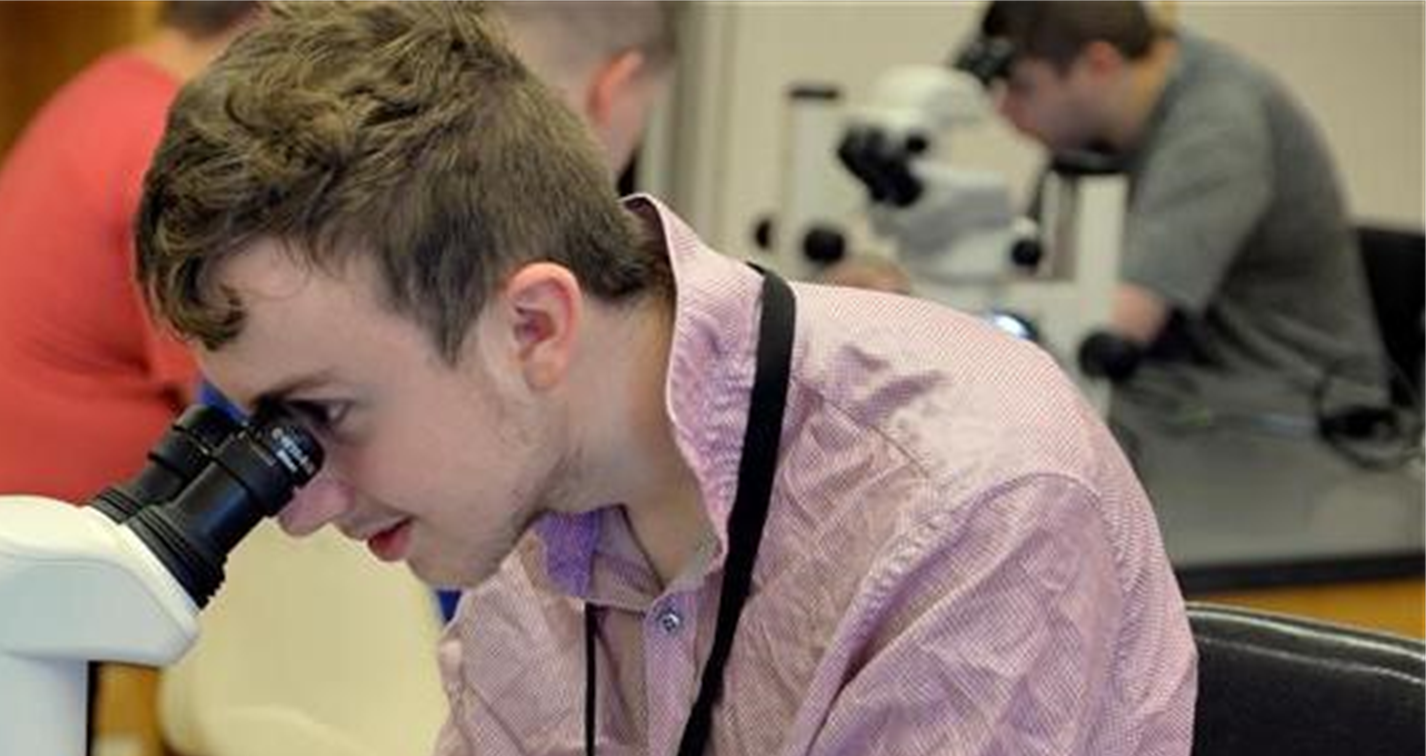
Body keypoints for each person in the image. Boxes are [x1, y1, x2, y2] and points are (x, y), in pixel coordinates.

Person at [134, 2, 1196, 754]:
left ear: (535, 326)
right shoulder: (530, 495)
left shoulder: (973, 509)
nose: (303, 508)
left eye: (323, 414)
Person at [972, 0, 1383, 419]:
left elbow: (1106, 330)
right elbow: (1030, 274)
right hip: (1181, 387)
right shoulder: (1092, 126)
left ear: (1099, 64)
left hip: (1298, 408)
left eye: (1022, 86)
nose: (1004, 109)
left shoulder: (1218, 123)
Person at [0, 0, 261, 501]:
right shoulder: (174, 139)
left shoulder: (111, 86)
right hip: (105, 523)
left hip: (29, 489)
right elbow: (235, 394)